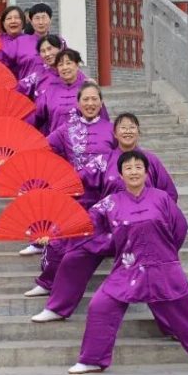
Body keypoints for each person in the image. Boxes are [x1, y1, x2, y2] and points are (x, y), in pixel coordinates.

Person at [69, 150, 188, 375]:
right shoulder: (110, 203)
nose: (133, 172)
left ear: (146, 173)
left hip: (164, 268)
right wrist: (105, 243)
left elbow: (179, 227)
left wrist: (167, 253)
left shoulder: (161, 198)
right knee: (100, 306)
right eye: (128, 168)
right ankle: (92, 360)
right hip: (128, 269)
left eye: (138, 167)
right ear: (121, 175)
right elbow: (86, 226)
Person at [32, 114, 179, 322]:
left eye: (132, 127)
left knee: (159, 271)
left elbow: (169, 194)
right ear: (115, 133)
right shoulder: (104, 161)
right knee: (76, 255)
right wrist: (48, 189)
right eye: (123, 127)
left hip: (143, 232)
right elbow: (77, 181)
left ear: (138, 131)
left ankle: (174, 324)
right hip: (110, 229)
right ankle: (57, 307)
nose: (127, 131)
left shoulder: (150, 161)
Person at [25, 83, 115, 297]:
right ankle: (47, 282)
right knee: (57, 238)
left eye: (94, 99)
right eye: (86, 99)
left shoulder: (113, 130)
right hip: (75, 196)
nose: (90, 103)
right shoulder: (66, 130)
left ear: (101, 103)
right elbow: (43, 148)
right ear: (78, 103)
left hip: (106, 197)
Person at [31, 49, 107, 135]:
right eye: (60, 64)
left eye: (68, 63)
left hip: (85, 140)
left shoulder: (88, 88)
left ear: (77, 65)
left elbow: (102, 118)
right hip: (56, 140)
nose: (65, 67)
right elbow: (38, 117)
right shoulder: (49, 90)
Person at [0, 6, 42, 81]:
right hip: (3, 82)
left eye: (17, 18)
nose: (13, 21)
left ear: (23, 22)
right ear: (3, 23)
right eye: (9, 18)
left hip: (27, 83)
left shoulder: (32, 41)